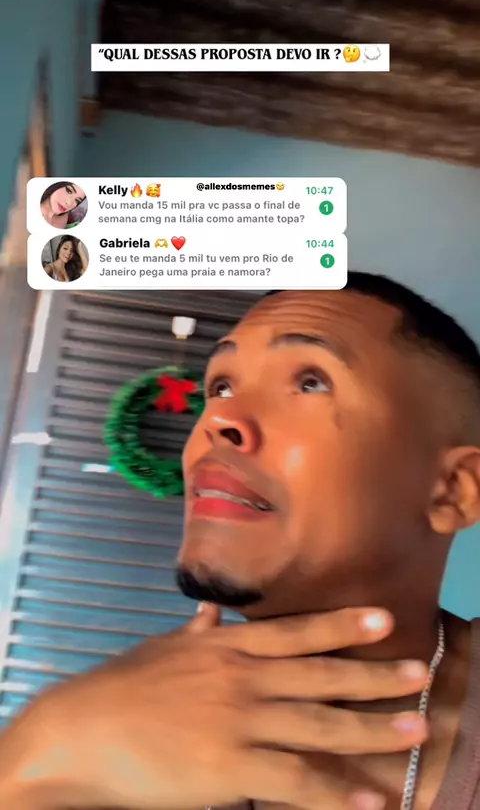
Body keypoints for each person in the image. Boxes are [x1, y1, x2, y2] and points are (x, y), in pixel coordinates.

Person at [0, 274, 479, 810]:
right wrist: (37, 756)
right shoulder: (100, 763)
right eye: (221, 387)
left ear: (452, 491)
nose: (218, 419)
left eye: (310, 383)